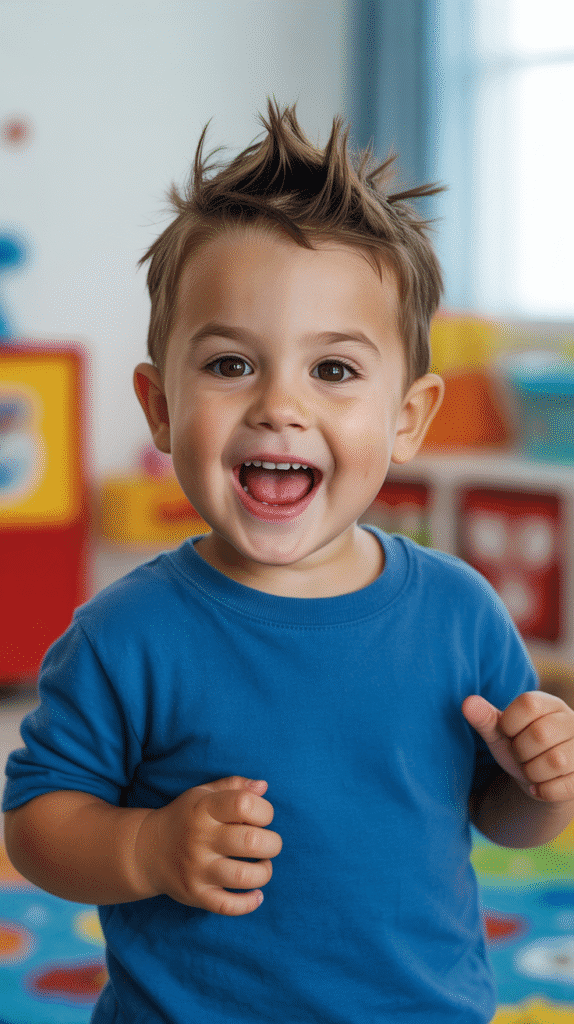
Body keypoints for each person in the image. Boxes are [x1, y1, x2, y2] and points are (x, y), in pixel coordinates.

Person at [4, 100, 574, 1024]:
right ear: (159, 405)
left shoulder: (460, 611)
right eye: (231, 365)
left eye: (335, 371)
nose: (279, 405)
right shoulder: (126, 635)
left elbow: (500, 818)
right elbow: (36, 827)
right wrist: (146, 849)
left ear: (408, 418)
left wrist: (543, 786)